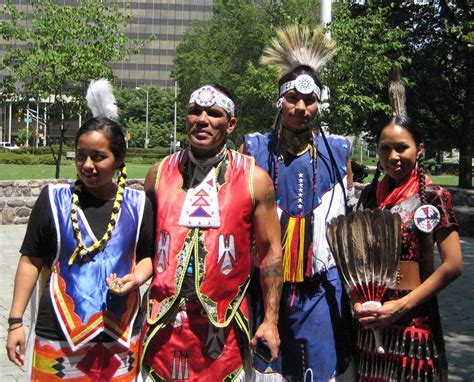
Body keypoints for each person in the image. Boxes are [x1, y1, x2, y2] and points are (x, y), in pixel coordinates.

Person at [5, 79, 154, 381]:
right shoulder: (53, 201)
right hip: (59, 331)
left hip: (120, 336)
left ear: (119, 160)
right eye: (81, 155)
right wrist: (15, 322)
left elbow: (149, 257)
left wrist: (136, 277)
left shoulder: (139, 205)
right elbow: (30, 261)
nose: (88, 164)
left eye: (98, 157)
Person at [140, 83, 283, 381]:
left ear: (230, 124)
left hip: (224, 325)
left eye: (214, 113)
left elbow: (270, 254)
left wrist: (270, 320)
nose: (202, 119)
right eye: (195, 111)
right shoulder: (158, 174)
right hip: (164, 323)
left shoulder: (254, 179)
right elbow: (143, 248)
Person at [242, 25, 354, 381]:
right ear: (280, 101)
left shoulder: (337, 152)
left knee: (318, 369)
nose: (301, 107)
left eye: (309, 101)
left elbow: (347, 219)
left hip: (320, 286)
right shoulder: (255, 149)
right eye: (293, 99)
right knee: (266, 368)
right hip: (267, 282)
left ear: (319, 103)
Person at [355, 115, 462, 381]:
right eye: (385, 148)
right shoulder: (369, 196)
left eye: (402, 147)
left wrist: (402, 306)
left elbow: (453, 265)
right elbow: (357, 258)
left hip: (414, 318)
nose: (393, 156)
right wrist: (357, 303)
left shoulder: (434, 197)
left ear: (420, 149)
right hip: (373, 315)